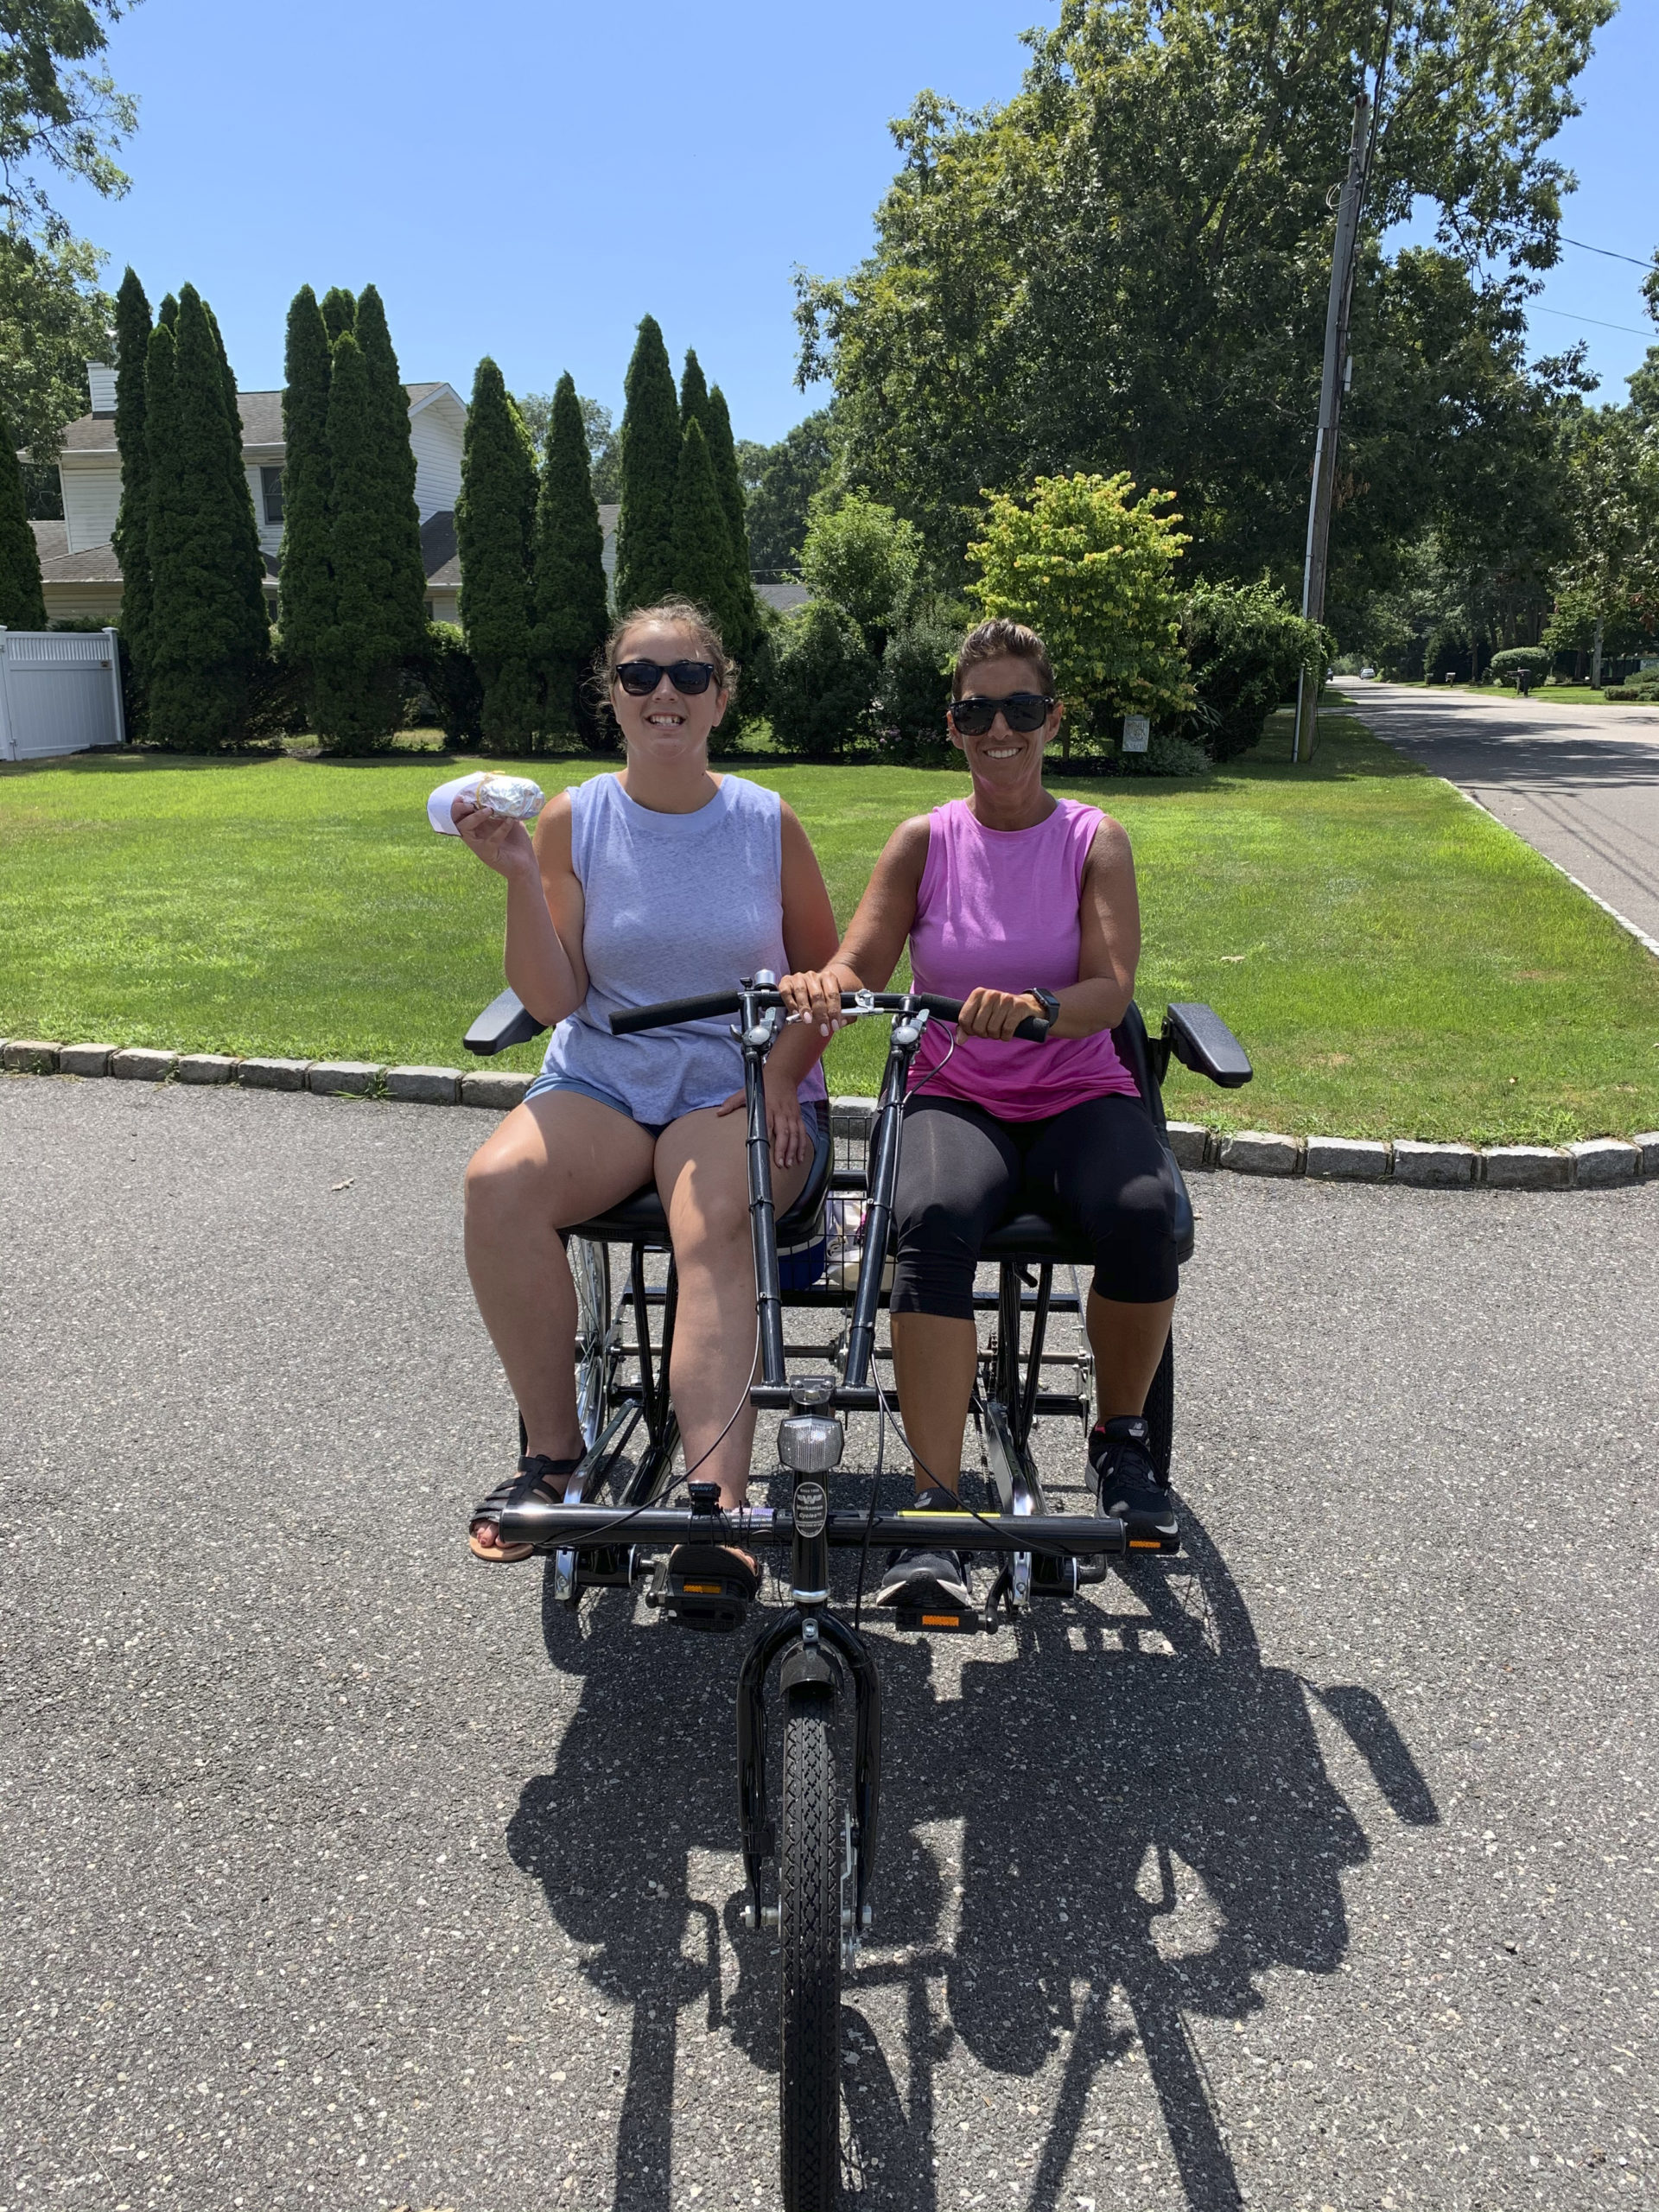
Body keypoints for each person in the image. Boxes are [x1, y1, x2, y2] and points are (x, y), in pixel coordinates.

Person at [780, 617, 1181, 1608]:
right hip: (956, 1094)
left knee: (1142, 1213)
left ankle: (1121, 1438)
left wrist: (1042, 1012)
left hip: (1079, 1088)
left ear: (1053, 719)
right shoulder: (925, 841)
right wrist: (822, 985)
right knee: (928, 1222)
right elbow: (862, 963)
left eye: (1021, 708)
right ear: (952, 725)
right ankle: (934, 1504)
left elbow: (1110, 987)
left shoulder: (1095, 839)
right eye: (977, 710)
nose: (999, 728)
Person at [457, 598, 839, 1623]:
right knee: (496, 1185)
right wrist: (514, 882)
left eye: (686, 676)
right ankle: (553, 1455)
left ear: (721, 695)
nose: (663, 693)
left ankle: (716, 1502)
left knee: (709, 1220)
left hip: (736, 1077)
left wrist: (776, 1077)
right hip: (611, 1072)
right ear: (612, 697)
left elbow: (823, 980)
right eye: (640, 675)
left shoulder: (764, 818)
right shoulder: (577, 816)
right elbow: (553, 1000)